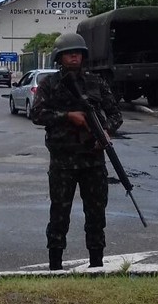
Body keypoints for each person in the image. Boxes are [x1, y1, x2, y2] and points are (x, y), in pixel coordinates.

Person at [30, 32, 123, 271]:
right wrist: (68, 116)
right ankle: (55, 265)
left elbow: (115, 114)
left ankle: (96, 264)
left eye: (78, 53)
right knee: (59, 216)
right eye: (69, 53)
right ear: (59, 57)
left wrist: (106, 131)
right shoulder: (49, 84)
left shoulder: (96, 82)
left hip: (93, 161)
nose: (74, 57)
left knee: (96, 216)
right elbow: (37, 114)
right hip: (63, 162)